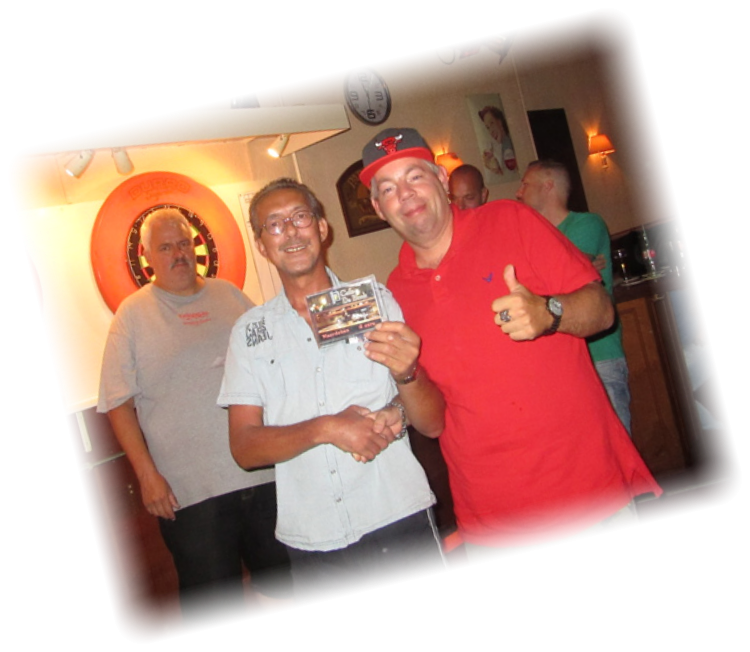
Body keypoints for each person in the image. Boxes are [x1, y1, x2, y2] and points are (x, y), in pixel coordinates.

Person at [360, 127, 662, 563]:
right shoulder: (395, 291)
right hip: (489, 523)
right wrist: (405, 378)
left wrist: (549, 312)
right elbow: (434, 423)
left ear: (442, 181)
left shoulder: (510, 219)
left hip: (582, 497)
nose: (404, 194)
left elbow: (601, 310)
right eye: (388, 188)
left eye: (415, 176)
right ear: (378, 208)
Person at [217, 178, 448, 605]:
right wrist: (327, 428)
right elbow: (244, 448)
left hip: (397, 516)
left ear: (322, 228)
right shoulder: (250, 333)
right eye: (274, 224)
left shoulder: (375, 302)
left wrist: (406, 381)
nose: (291, 230)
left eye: (300, 217)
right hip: (314, 543)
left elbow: (432, 423)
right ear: (262, 245)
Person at [97, 208, 294, 631]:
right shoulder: (131, 316)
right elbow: (117, 403)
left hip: (263, 476)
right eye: (166, 247)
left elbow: (275, 363)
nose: (179, 253)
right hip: (190, 495)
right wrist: (147, 475)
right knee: (216, 612)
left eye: (184, 243)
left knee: (283, 589)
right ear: (148, 256)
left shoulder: (231, 296)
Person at [516, 159, 632, 434]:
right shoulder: (532, 236)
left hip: (599, 355)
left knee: (616, 443)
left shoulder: (587, 223)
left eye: (525, 184)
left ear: (548, 187)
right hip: (560, 363)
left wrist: (541, 272)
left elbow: (555, 280)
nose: (519, 192)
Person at [669, 288, 724, 430]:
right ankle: (712, 430)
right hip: (672, 353)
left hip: (698, 345)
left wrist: (701, 338)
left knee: (672, 381)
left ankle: (712, 430)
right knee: (663, 383)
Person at [478, 105, 517, 177]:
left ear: (500, 122)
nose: (491, 131)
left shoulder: (511, 144)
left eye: (492, 123)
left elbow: (514, 174)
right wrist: (497, 171)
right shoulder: (500, 149)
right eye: (488, 127)